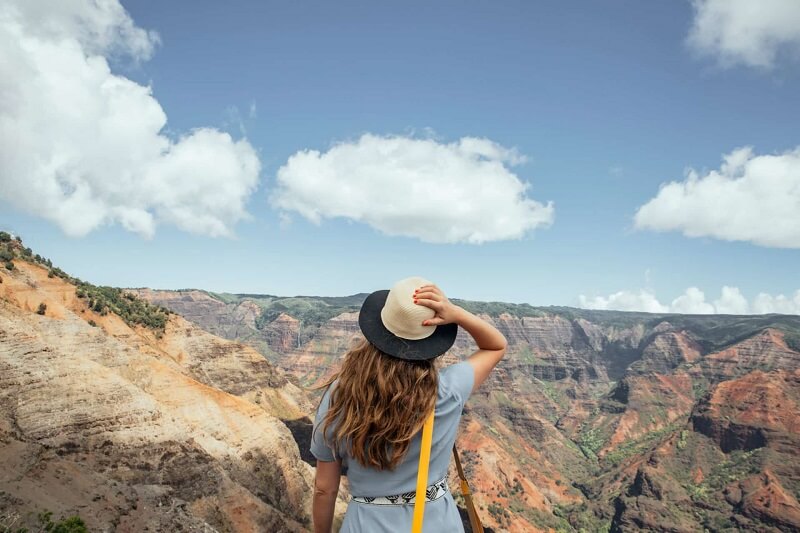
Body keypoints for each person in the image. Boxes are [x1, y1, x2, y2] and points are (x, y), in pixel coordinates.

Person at [310, 276, 508, 532]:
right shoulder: (448, 390)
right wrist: (457, 314)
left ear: (377, 330)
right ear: (431, 339)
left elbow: (324, 489)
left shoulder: (339, 395)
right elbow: (495, 346)